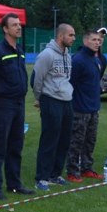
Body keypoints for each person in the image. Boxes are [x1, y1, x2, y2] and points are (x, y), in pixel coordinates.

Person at [0, 13, 35, 198]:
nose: (18, 27)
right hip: (2, 104)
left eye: (19, 24)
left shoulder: (19, 50)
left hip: (19, 104)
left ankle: (14, 184)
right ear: (5, 29)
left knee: (16, 145)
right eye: (14, 25)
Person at [33, 23, 75, 191]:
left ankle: (55, 174)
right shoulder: (47, 55)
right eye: (70, 35)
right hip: (51, 100)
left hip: (67, 101)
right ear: (60, 36)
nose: (73, 38)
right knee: (49, 140)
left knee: (64, 140)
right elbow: (37, 79)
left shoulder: (68, 55)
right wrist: (40, 98)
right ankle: (42, 177)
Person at [66, 30, 104, 182]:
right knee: (76, 141)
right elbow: (70, 83)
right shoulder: (78, 60)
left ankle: (86, 168)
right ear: (85, 41)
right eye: (94, 39)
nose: (97, 42)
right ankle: (72, 171)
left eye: (99, 40)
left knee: (90, 140)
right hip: (80, 109)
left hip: (93, 108)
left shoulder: (96, 59)